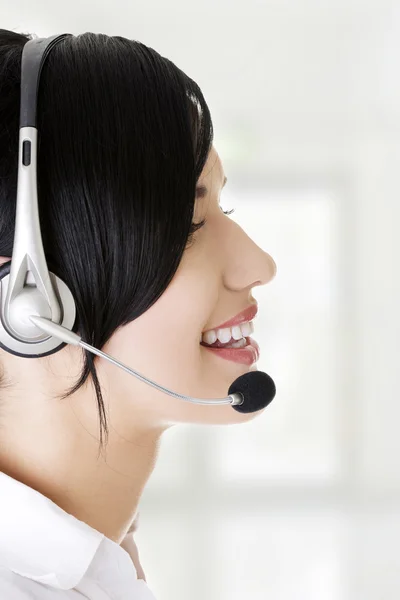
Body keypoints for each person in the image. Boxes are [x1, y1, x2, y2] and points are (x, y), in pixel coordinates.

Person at [0, 28, 277, 599]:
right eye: (186, 222)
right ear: (27, 299)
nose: (259, 264)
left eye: (220, 205)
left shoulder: (92, 570)